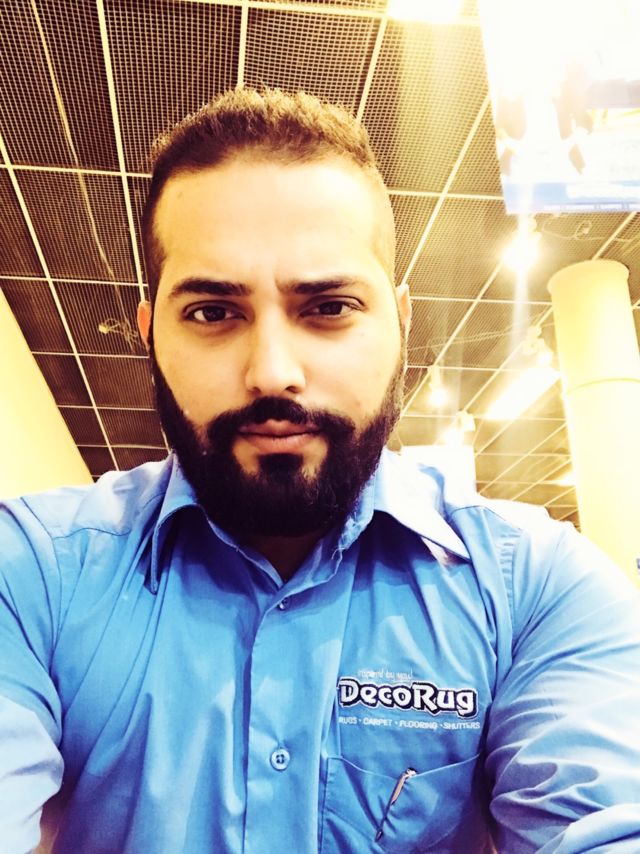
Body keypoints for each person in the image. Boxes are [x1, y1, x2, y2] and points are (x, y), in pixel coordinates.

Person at [1, 88, 639, 854]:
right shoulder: (31, 575)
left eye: (329, 307)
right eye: (212, 312)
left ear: (401, 323)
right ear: (150, 334)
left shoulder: (535, 587)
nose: (273, 372)